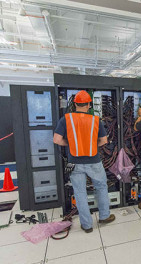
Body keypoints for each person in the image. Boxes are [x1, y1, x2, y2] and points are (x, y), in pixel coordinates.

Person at [53, 90, 115, 233]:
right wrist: (93, 145)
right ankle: (104, 216)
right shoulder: (95, 120)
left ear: (75, 104)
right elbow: (104, 141)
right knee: (101, 187)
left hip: (73, 161)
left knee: (80, 192)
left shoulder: (66, 119)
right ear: (88, 105)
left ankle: (87, 225)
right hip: (94, 160)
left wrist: (70, 144)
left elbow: (56, 139)